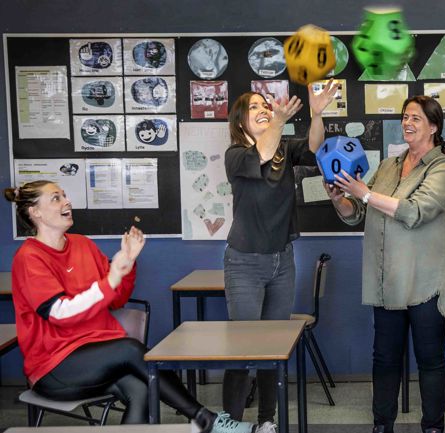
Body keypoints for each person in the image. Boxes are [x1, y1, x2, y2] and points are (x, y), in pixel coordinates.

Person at [5, 180, 254, 433]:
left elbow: (115, 300)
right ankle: (206, 420)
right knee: (131, 350)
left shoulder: (82, 244)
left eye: (64, 195)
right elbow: (59, 312)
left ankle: (205, 421)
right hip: (54, 367)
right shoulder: (29, 258)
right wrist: (111, 278)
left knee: (141, 388)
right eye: (56, 198)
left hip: (100, 358)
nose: (67, 201)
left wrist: (128, 263)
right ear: (35, 212)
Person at [325, 95, 445, 433]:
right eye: (405, 116)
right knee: (384, 358)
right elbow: (358, 211)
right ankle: (382, 424)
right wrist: (340, 199)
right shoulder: (389, 165)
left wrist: (364, 193)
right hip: (388, 281)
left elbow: (415, 211)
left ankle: (433, 427)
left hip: (427, 282)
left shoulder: (444, 167)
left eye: (416, 118)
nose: (407, 123)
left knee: (430, 359)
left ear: (433, 126)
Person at [222, 81, 338, 433]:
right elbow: (261, 153)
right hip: (245, 263)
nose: (262, 110)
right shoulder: (236, 155)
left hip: (282, 260)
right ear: (240, 122)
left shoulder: (284, 149)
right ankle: (231, 423)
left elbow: (315, 147)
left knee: (273, 345)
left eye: (265, 105)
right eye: (254, 107)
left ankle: (267, 420)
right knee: (243, 349)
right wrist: (278, 120)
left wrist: (316, 114)